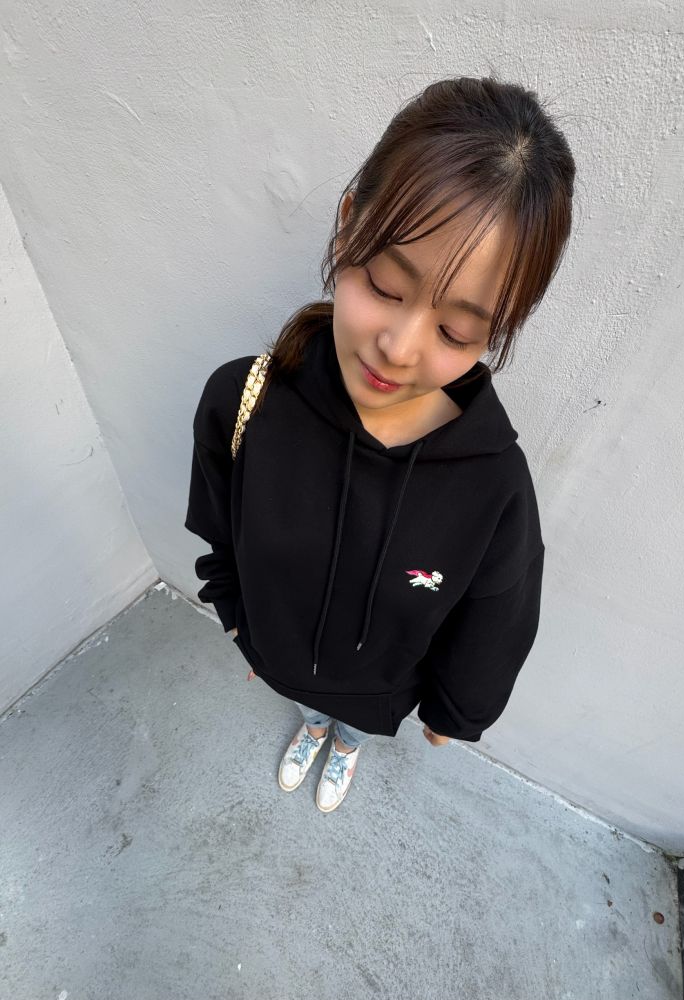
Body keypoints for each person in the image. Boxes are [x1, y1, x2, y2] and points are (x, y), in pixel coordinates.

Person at [185, 76, 575, 814]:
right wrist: (237, 621)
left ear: (497, 330)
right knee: (310, 709)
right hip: (274, 661)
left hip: (378, 698)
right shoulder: (244, 400)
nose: (398, 347)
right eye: (386, 286)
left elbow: (496, 619)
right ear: (347, 226)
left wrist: (456, 713)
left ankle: (345, 744)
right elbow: (218, 528)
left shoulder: (493, 488)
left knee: (353, 726)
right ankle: (312, 725)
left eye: (456, 331)